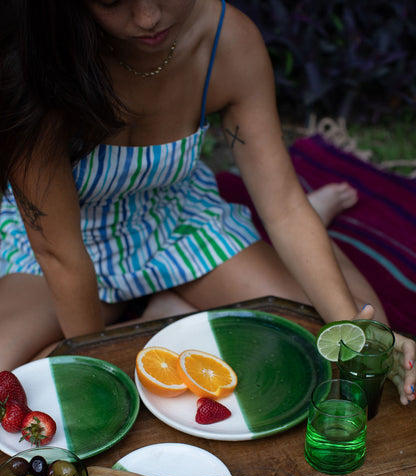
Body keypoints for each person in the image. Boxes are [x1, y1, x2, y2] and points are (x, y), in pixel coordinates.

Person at [0, 0, 414, 406]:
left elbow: (284, 206)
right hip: (62, 245)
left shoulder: (226, 41)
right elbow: (61, 256)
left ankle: (175, 301)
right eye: (112, 1)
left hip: (177, 220)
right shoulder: (37, 67)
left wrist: (350, 331)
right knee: (18, 379)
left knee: (364, 334)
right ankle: (164, 311)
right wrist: (97, 369)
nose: (148, 17)